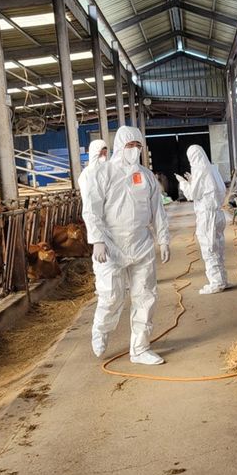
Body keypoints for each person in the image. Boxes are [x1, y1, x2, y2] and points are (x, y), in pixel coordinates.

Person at [81, 126, 171, 365]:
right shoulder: (104, 173)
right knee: (111, 297)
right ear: (120, 146)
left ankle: (140, 348)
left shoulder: (147, 176)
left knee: (145, 296)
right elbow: (92, 209)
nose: (134, 150)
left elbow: (157, 210)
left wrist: (163, 238)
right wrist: (97, 240)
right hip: (111, 245)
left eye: (138, 146)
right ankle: (100, 332)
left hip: (141, 243)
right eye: (130, 145)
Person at [174, 145, 227, 294]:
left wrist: (184, 183)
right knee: (219, 249)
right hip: (218, 214)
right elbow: (214, 189)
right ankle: (222, 279)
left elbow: (192, 195)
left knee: (209, 249)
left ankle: (216, 283)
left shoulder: (199, 170)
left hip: (207, 216)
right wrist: (192, 180)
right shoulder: (212, 168)